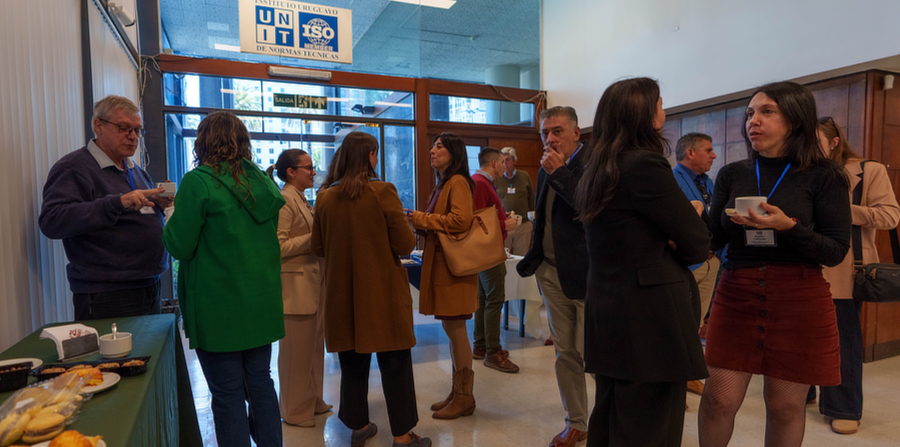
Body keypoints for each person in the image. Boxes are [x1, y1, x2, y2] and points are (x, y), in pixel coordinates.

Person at [698, 81, 852, 447]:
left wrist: (788, 226)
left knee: (784, 406)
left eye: (767, 112)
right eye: (750, 113)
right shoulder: (732, 174)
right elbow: (712, 238)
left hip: (799, 297)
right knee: (719, 399)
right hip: (737, 291)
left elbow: (834, 251)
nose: (754, 120)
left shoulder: (825, 175)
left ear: (796, 120)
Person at [574, 77, 710, 447]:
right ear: (646, 116)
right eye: (660, 105)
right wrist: (682, 230)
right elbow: (698, 244)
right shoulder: (646, 164)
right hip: (650, 318)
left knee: (612, 419)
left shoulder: (596, 167)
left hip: (609, 310)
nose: (663, 112)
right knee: (651, 427)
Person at [163, 111, 285, 447]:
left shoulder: (198, 182)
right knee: (261, 384)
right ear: (243, 142)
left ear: (202, 142)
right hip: (261, 304)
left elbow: (179, 245)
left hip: (218, 309)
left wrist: (170, 213)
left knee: (228, 394)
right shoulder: (263, 183)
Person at [312, 132, 430, 447]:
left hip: (342, 296)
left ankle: (359, 427)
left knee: (352, 365)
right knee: (396, 365)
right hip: (382, 294)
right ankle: (403, 436)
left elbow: (318, 246)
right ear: (370, 156)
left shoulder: (324, 197)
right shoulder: (383, 191)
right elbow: (405, 244)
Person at [39, 95, 172, 320]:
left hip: (149, 285)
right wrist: (117, 202)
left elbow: (138, 214)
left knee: (150, 355)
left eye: (137, 130)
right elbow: (52, 221)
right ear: (98, 125)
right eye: (124, 128)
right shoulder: (74, 168)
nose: (132, 137)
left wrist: (159, 205)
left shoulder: (136, 171)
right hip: (108, 294)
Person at [812, 116, 900, 434]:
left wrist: (841, 208)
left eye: (815, 141)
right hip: (801, 268)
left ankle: (844, 407)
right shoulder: (798, 170)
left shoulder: (868, 170)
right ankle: (805, 391)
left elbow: (890, 215)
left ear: (834, 142)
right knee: (801, 337)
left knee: (842, 341)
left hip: (844, 270)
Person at [516, 106, 590, 447]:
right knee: (565, 353)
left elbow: (588, 208)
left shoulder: (594, 165)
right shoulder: (547, 165)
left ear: (577, 132)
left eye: (558, 131)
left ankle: (605, 419)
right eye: (546, 132)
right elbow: (542, 216)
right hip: (550, 272)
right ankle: (576, 421)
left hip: (587, 275)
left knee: (593, 352)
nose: (550, 138)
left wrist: (559, 172)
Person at [407, 132, 479, 420]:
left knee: (456, 330)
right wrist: (418, 221)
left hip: (454, 268)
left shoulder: (458, 182)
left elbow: (461, 220)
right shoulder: (444, 183)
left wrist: (422, 219)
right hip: (444, 266)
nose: (432, 151)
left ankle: (465, 396)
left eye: (439, 146)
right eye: (433, 146)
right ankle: (457, 391)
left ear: (454, 152)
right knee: (452, 330)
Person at [266, 150, 332, 427]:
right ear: (291, 172)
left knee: (314, 351)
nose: (313, 172)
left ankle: (313, 399)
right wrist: (313, 237)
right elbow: (276, 247)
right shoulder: (283, 200)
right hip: (294, 288)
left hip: (312, 285)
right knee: (296, 355)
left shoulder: (301, 198)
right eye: (308, 168)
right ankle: (293, 410)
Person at [673, 132, 721, 395]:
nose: (713, 155)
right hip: (686, 263)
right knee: (678, 322)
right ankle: (674, 381)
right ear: (690, 153)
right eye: (708, 150)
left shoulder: (709, 182)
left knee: (696, 322)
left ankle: (689, 375)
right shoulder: (671, 179)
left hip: (712, 261)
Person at [472, 147, 520, 373]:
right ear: (493, 162)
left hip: (486, 250)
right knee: (494, 299)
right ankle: (493, 351)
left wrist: (502, 217)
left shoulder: (482, 181)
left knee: (484, 299)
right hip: (488, 250)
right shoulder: (480, 183)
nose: (505, 165)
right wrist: (504, 225)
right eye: (502, 161)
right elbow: (476, 221)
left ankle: (480, 345)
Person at [495, 147, 535, 255]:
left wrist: (534, 216)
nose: (505, 163)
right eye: (503, 161)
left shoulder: (524, 175)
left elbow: (531, 196)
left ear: (514, 161)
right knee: (504, 256)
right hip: (505, 224)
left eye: (508, 160)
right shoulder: (496, 178)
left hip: (523, 225)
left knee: (521, 257)